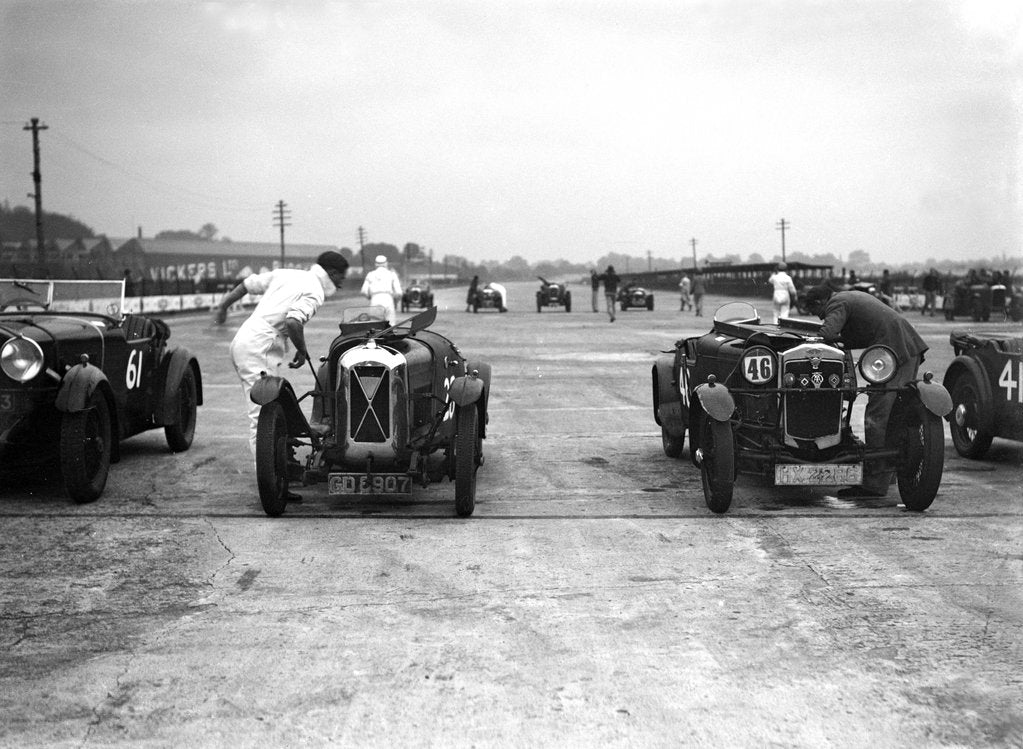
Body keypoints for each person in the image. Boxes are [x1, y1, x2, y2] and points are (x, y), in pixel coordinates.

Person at [214, 251, 349, 456]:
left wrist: (223, 307)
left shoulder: (287, 274)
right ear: (331, 272)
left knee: (271, 406)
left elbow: (246, 285)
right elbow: (293, 321)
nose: (342, 283)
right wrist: (302, 351)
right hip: (261, 344)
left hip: (246, 337)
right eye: (341, 277)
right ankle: (267, 478)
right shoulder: (316, 290)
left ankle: (281, 462)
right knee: (262, 414)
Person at [803, 282, 928, 499]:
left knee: (877, 416)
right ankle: (887, 475)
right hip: (903, 348)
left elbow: (828, 332)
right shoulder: (848, 297)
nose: (819, 317)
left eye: (816, 312)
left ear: (820, 301)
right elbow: (858, 334)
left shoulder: (837, 302)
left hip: (894, 353)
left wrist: (809, 337)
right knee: (892, 414)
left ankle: (874, 484)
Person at [361, 255, 403, 325]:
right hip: (388, 300)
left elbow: (363, 291)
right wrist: (396, 301)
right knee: (390, 325)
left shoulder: (370, 274)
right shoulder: (392, 274)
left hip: (375, 300)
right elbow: (399, 292)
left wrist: (369, 297)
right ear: (386, 263)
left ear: (375, 264)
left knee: (375, 325)